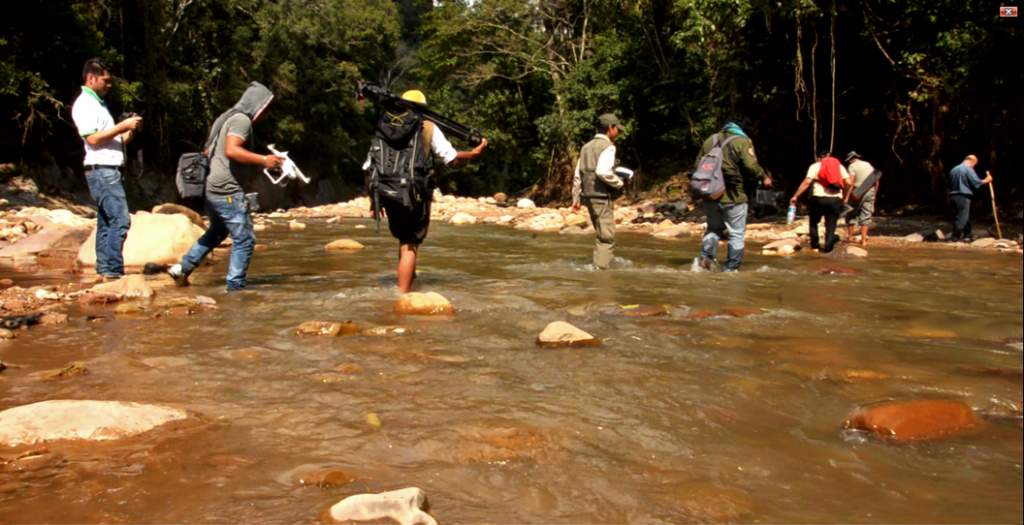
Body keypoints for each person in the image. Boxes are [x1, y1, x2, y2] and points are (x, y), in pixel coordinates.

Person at [364, 89, 487, 292]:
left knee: (403, 241)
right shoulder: (427, 126)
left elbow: (370, 163)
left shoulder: (383, 125)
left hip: (385, 189)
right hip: (414, 192)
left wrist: (373, 201)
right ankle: (403, 296)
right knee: (410, 243)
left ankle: (408, 282)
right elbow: (451, 159)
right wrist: (473, 154)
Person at [167, 82, 284, 291]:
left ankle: (182, 268)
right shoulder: (241, 120)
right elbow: (232, 150)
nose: (265, 114)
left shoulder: (227, 117)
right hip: (226, 189)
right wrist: (264, 160)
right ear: (257, 105)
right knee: (245, 239)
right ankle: (235, 288)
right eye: (265, 108)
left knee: (217, 232)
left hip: (213, 186)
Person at [71, 58, 142, 280]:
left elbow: (112, 141)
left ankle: (104, 270)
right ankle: (112, 271)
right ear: (91, 78)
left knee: (106, 222)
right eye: (106, 80)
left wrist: (129, 131)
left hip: (109, 169)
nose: (109, 85)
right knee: (121, 220)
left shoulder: (98, 105)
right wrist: (122, 126)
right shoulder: (84, 104)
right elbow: (92, 139)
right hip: (102, 170)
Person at [693, 119, 771, 272]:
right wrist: (764, 177)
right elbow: (751, 166)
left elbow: (697, 165)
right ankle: (731, 269)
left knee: (713, 229)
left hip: (711, 194)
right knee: (736, 234)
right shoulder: (742, 141)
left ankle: (705, 261)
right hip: (734, 195)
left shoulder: (710, 140)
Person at [572, 113, 626, 269]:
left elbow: (577, 176)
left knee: (601, 233)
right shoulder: (608, 146)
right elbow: (603, 172)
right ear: (610, 128)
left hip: (588, 196)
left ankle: (602, 264)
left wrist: (576, 200)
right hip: (601, 197)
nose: (618, 132)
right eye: (617, 129)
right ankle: (600, 274)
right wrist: (620, 183)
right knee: (606, 238)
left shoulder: (585, 147)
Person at [789, 151, 850, 253]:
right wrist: (844, 196)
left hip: (818, 198)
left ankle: (815, 246)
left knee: (814, 222)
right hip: (835, 199)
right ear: (829, 156)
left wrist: (795, 196)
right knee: (831, 225)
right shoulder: (839, 166)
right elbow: (848, 182)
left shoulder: (815, 166)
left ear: (818, 158)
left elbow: (807, 182)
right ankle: (828, 248)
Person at [947, 154, 992, 242]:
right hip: (963, 195)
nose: (974, 166)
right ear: (972, 161)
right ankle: (955, 236)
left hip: (953, 196)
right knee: (962, 217)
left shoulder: (954, 169)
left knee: (963, 216)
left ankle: (967, 235)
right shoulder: (968, 169)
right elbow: (976, 182)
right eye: (974, 164)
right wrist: (987, 179)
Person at [843, 151, 879, 246]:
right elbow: (875, 179)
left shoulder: (852, 166)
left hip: (857, 193)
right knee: (866, 215)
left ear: (851, 159)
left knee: (851, 213)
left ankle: (850, 237)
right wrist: (874, 194)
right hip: (870, 190)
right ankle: (863, 240)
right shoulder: (868, 164)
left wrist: (846, 197)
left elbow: (851, 182)